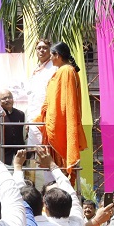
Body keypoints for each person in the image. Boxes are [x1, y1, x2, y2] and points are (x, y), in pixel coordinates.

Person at [35, 42, 87, 177]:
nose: (50, 58)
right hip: (56, 121)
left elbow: (66, 101)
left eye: (51, 55)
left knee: (61, 166)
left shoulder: (66, 71)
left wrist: (54, 119)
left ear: (57, 55)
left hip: (60, 123)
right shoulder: (63, 71)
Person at [26, 39, 56, 150]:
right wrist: (28, 121)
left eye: (45, 48)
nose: (41, 50)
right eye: (39, 48)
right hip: (33, 117)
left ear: (50, 50)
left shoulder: (54, 68)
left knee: (46, 151)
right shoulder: (35, 69)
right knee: (34, 153)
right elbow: (31, 97)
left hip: (46, 116)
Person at [0, 89, 25, 165]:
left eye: (9, 97)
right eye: (4, 98)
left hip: (19, 154)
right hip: (3, 156)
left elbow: (24, 134)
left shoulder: (20, 114)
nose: (7, 100)